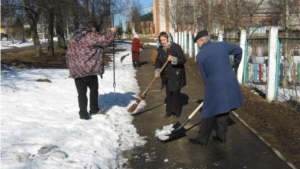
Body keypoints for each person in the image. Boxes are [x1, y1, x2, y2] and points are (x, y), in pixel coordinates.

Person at [189, 30, 244, 145]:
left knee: (208, 111)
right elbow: (239, 51)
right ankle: (221, 136)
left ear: (202, 41)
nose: (198, 46)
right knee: (224, 107)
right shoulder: (222, 45)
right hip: (230, 80)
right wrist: (235, 64)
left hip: (214, 83)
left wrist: (209, 89)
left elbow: (204, 77)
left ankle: (202, 139)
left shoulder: (200, 56)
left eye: (197, 43)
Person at [66, 21, 116, 120]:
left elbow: (67, 54)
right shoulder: (91, 36)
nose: (96, 32)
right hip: (88, 69)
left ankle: (83, 113)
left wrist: (71, 67)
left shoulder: (73, 38)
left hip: (76, 70)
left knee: (81, 93)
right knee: (93, 90)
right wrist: (112, 32)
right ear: (93, 28)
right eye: (96, 30)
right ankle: (94, 109)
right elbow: (106, 41)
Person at [155, 31, 186, 119]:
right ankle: (169, 111)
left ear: (169, 38)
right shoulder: (161, 49)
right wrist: (157, 70)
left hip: (176, 75)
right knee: (168, 93)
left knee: (175, 93)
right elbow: (157, 61)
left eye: (164, 39)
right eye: (161, 40)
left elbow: (183, 60)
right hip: (166, 75)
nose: (163, 42)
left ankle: (176, 111)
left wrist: (173, 59)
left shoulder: (176, 47)